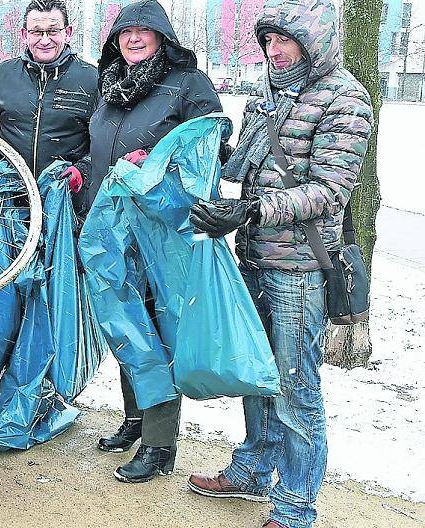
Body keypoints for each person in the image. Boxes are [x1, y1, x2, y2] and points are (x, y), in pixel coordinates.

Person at [187, 0, 372, 526]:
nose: (274, 51)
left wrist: (253, 210)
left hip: (300, 270)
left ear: (313, 40)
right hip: (252, 257)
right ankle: (252, 470)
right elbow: (241, 164)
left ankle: (294, 508)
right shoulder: (267, 94)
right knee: (255, 376)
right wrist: (197, 149)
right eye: (267, 42)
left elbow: (330, 191)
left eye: (284, 41)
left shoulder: (346, 99)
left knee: (295, 389)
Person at [76, 0, 224, 483]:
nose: (134, 38)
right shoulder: (111, 84)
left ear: (163, 36)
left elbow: (212, 147)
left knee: (161, 330)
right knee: (126, 323)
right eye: (125, 31)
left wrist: (160, 161)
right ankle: (136, 420)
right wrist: (79, 174)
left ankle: (160, 446)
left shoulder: (188, 85)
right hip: (115, 228)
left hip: (167, 233)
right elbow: (98, 148)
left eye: (145, 30)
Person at [0, 0, 97, 187]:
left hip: (68, 198)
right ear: (25, 34)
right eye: (37, 32)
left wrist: (83, 169)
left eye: (53, 31)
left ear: (68, 33)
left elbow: (103, 141)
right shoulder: (1, 75)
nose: (45, 40)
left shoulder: (92, 79)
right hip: (10, 199)